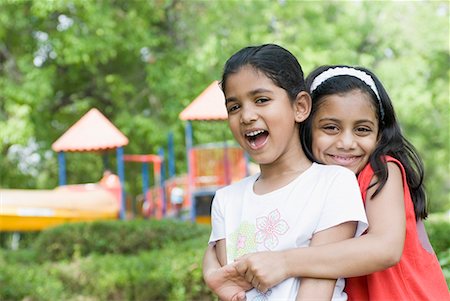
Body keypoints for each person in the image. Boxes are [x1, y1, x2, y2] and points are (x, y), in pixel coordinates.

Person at [204, 65, 450, 300]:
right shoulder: (315, 187)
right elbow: (222, 243)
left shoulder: (381, 171)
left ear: (379, 134)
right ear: (307, 126)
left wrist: (284, 262)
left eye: (362, 130)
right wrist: (211, 269)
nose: (346, 142)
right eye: (331, 128)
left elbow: (385, 247)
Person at [204, 46, 368, 301]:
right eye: (234, 107)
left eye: (261, 100)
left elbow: (318, 286)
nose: (246, 116)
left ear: (300, 106)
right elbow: (237, 290)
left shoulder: (333, 184)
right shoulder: (226, 200)